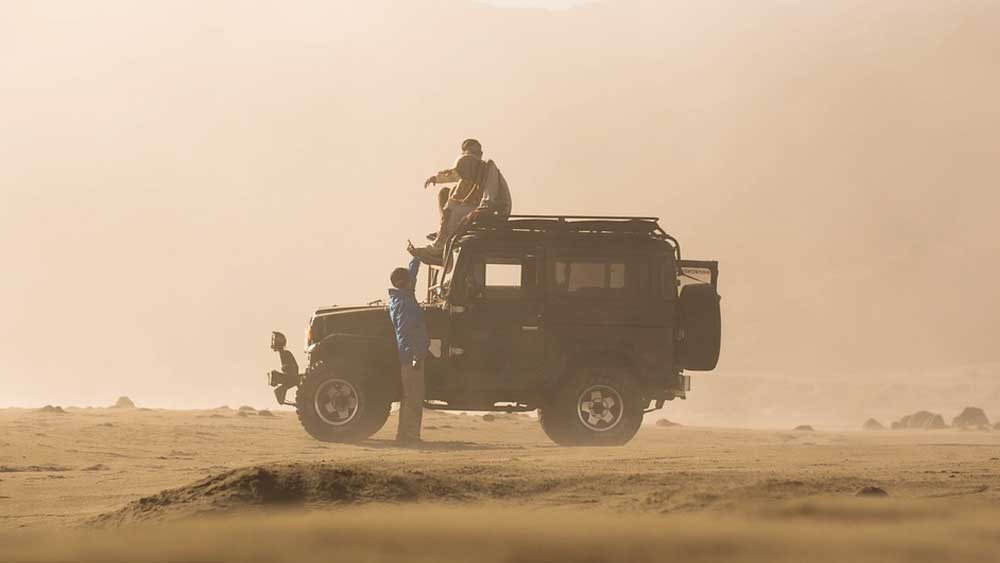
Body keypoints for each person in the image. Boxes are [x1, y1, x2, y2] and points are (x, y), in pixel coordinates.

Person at [412, 139, 512, 264]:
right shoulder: (470, 169)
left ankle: (439, 246)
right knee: (445, 195)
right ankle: (443, 235)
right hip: (481, 207)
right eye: (474, 152)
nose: (478, 155)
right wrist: (436, 179)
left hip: (496, 211)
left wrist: (472, 214)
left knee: (456, 211)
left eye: (479, 153)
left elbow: (488, 200)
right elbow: (455, 174)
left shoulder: (488, 169)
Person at [388, 252, 430, 445]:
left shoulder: (403, 296)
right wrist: (414, 356)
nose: (413, 281)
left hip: (412, 354)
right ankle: (409, 436)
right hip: (411, 357)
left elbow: (412, 272)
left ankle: (406, 435)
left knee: (412, 397)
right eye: (409, 280)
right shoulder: (403, 304)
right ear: (403, 283)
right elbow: (404, 334)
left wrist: (417, 256)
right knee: (413, 398)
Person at [269, 331, 299, 405]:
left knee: (279, 390)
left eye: (274, 340)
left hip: (292, 377)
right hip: (291, 376)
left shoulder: (286, 353)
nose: (273, 342)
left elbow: (294, 368)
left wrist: (285, 369)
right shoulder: (283, 353)